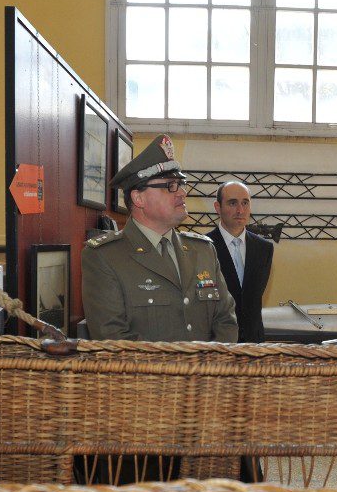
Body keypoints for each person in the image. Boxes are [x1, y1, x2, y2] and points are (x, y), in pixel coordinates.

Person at [82, 134, 238, 343]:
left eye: (181, 184)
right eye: (169, 186)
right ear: (139, 198)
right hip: (147, 376)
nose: (182, 192)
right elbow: (113, 338)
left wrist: (210, 369)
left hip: (208, 374)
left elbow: (225, 320)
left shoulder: (203, 250)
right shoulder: (105, 257)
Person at [207, 181, 274, 343]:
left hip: (254, 344)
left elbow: (254, 298)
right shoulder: (204, 247)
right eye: (232, 203)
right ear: (218, 207)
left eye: (245, 203)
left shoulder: (264, 248)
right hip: (217, 343)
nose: (240, 210)